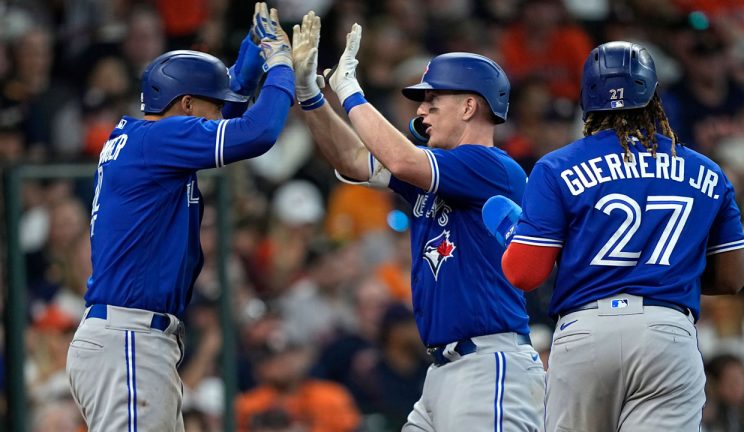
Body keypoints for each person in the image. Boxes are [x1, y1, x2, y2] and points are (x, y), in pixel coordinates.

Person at [291, 12, 545, 431]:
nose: (422, 111)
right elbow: (355, 160)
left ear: (469, 106)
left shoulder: (490, 166)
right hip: (445, 372)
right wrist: (311, 98)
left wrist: (351, 90)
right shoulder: (440, 173)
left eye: (432, 102)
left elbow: (400, 158)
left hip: (489, 366)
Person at [485, 41, 744, 431]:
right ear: (654, 95)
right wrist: (670, 274)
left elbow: (524, 274)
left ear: (587, 100)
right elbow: (731, 278)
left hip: (586, 331)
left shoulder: (557, 165)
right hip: (668, 330)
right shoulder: (708, 171)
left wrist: (510, 231)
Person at [65, 3, 295, 430]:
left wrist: (254, 48)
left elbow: (228, 105)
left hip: (129, 338)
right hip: (129, 339)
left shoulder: (147, 138)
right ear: (186, 104)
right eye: (210, 106)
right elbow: (258, 132)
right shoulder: (160, 140)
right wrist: (282, 69)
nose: (218, 115)